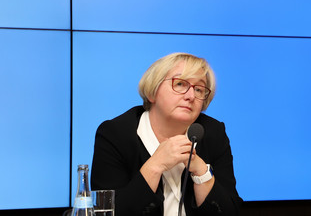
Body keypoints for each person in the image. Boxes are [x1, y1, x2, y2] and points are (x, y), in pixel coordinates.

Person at [91, 52, 242, 216]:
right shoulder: (116, 134)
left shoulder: (213, 132)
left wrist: (202, 172)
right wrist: (155, 166)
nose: (191, 96)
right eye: (180, 84)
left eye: (199, 89)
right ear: (152, 92)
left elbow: (231, 212)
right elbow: (107, 212)